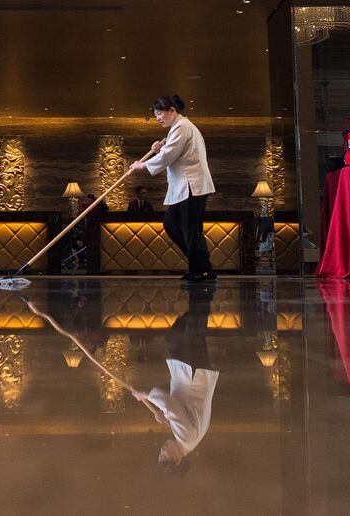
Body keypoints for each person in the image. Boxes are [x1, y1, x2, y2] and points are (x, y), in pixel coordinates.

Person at [132, 285, 219, 474]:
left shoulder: (186, 441)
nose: (162, 450)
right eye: (165, 455)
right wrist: (145, 396)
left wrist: (165, 418)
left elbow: (176, 411)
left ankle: (202, 292)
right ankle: (203, 287)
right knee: (191, 328)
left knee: (178, 335)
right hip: (194, 375)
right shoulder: (186, 439)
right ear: (178, 459)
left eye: (160, 455)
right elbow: (172, 405)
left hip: (193, 373)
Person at [130, 95, 216, 283]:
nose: (158, 118)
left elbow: (170, 156)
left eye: (160, 113)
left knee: (189, 229)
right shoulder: (177, 129)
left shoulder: (182, 127)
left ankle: (202, 269)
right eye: (155, 115)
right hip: (187, 186)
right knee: (174, 224)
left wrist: (142, 165)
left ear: (172, 111)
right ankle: (199, 266)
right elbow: (175, 153)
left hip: (191, 186)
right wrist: (161, 148)